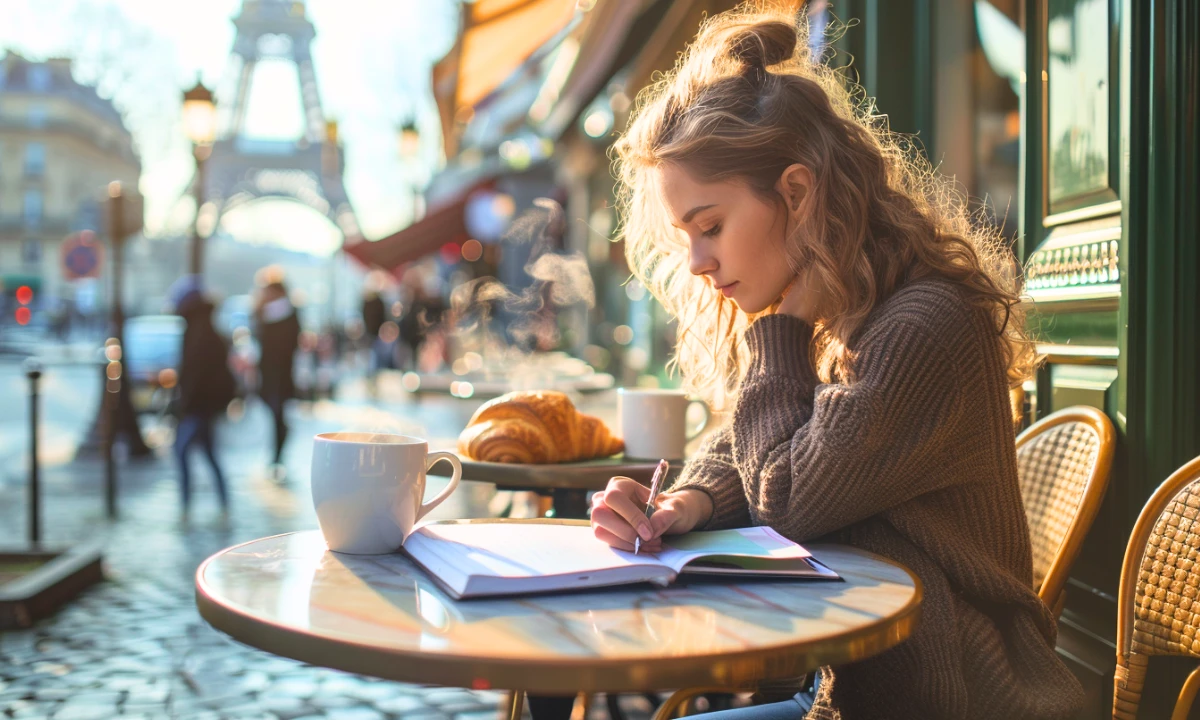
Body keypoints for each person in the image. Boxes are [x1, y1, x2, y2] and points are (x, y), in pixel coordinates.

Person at [590, 8, 1083, 720]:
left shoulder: (922, 328)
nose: (696, 264)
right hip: (861, 692)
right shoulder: (847, 316)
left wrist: (781, 329)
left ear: (795, 192)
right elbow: (746, 448)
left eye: (710, 227)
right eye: (687, 237)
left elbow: (789, 498)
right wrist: (682, 504)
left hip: (959, 699)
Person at [169, 276, 235, 519]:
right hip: (202, 407)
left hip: (197, 408)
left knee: (182, 451)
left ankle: (186, 505)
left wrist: (184, 404)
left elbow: (195, 375)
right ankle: (222, 503)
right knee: (208, 454)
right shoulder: (204, 329)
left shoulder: (199, 333)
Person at [255, 279, 301, 478]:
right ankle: (277, 450)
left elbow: (290, 344)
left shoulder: (289, 314)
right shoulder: (262, 312)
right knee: (273, 412)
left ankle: (277, 455)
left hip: (280, 373)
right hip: (267, 373)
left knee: (277, 413)